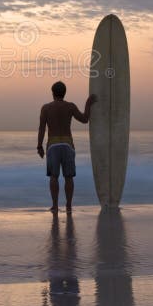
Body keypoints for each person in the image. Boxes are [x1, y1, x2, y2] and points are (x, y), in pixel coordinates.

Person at [37, 81, 96, 214]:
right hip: (68, 145)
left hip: (53, 145)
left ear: (52, 93)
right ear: (64, 93)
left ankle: (55, 206)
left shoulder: (46, 108)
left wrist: (39, 146)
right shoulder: (70, 106)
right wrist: (88, 103)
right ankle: (69, 206)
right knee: (68, 177)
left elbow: (42, 129)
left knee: (54, 177)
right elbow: (85, 119)